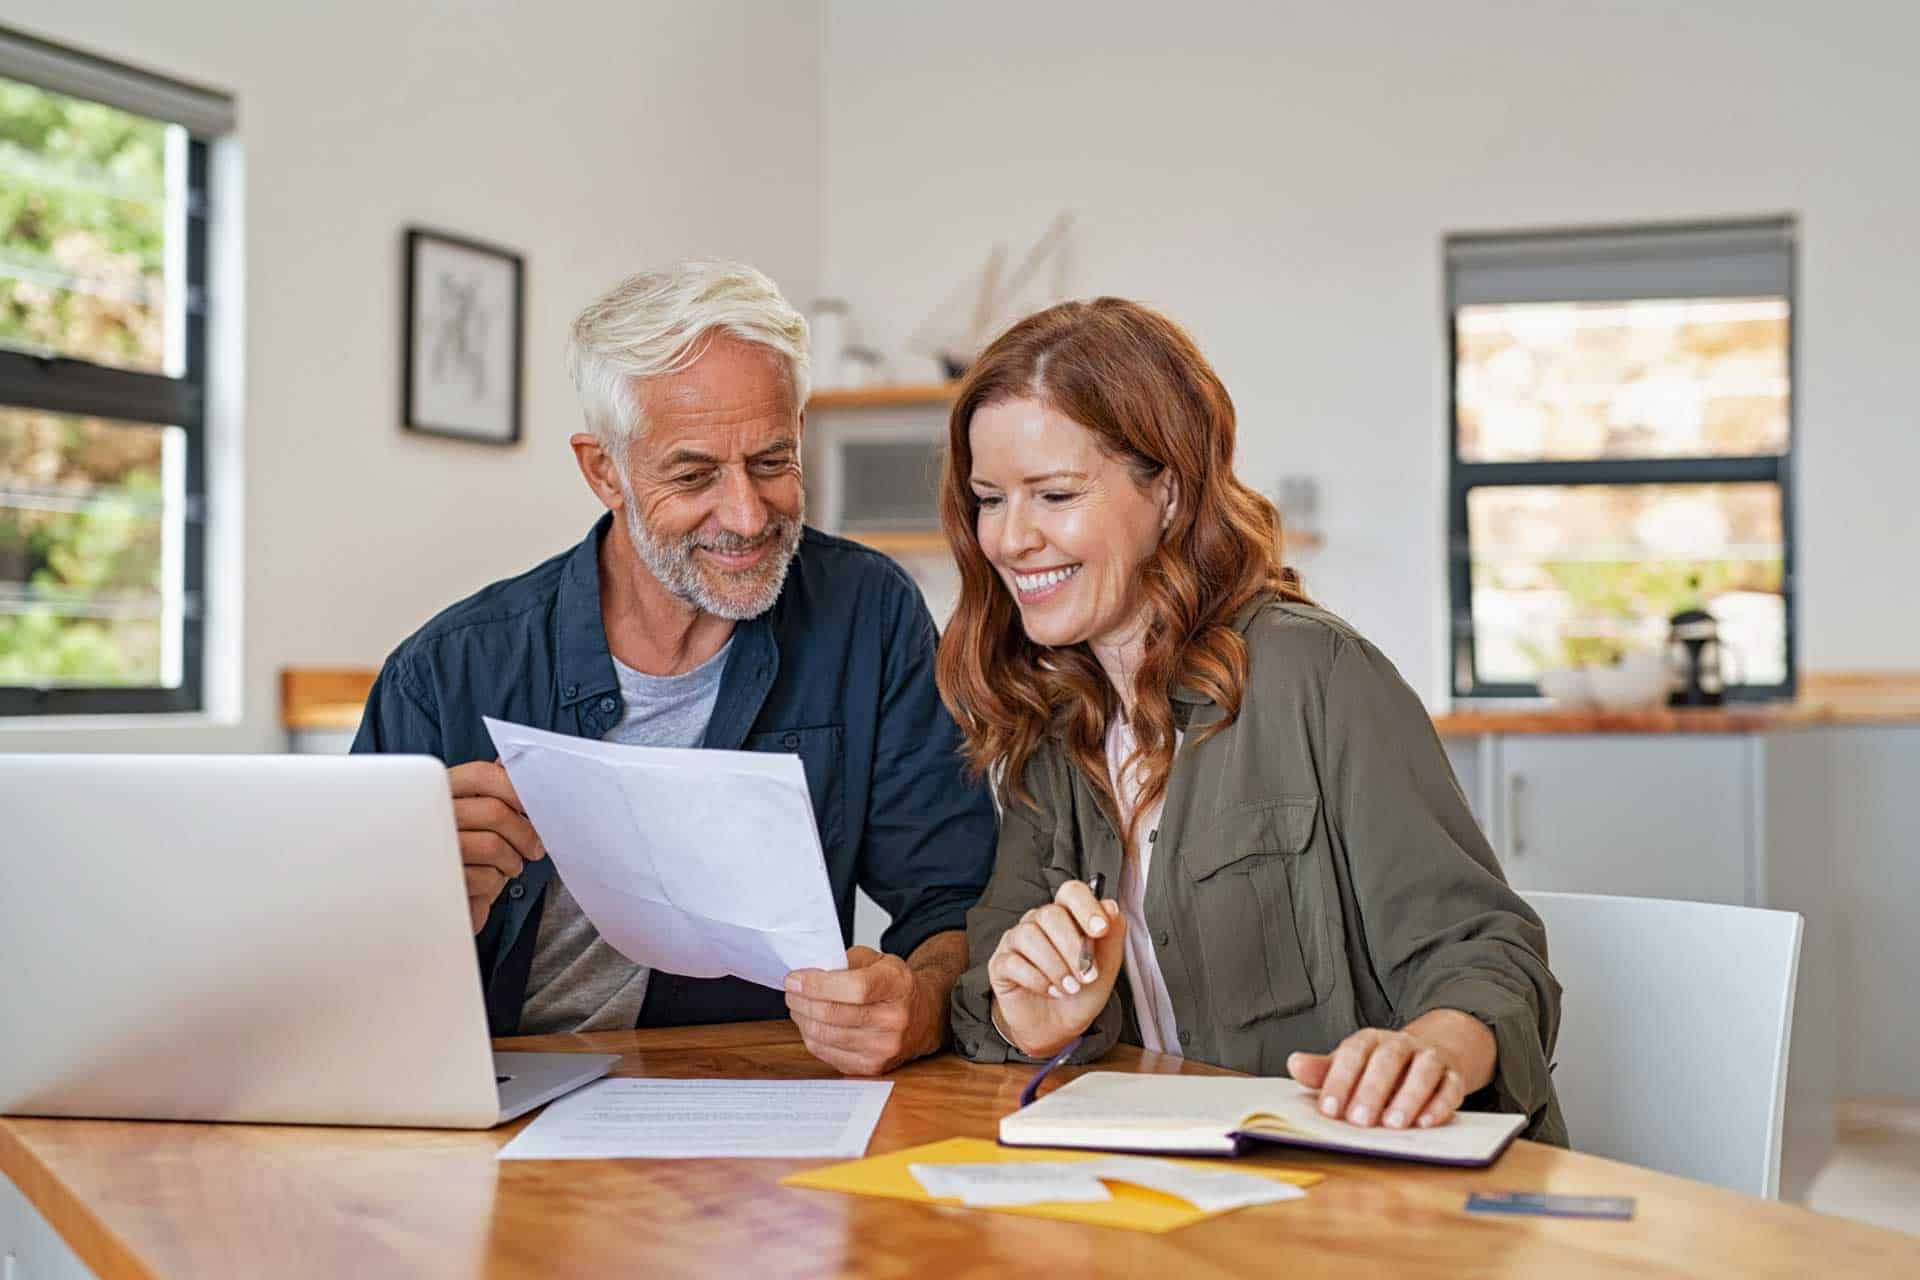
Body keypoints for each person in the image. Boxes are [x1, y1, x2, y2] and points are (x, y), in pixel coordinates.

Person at [941, 298, 1566, 1141]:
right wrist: (1038, 1016)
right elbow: (987, 986)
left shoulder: (1317, 675)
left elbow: (1488, 953)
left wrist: (1432, 1050)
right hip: (1178, 1191)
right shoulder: (1057, 727)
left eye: (1055, 494)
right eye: (989, 498)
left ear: (1167, 490)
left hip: (1364, 1199)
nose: (1011, 539)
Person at [354, 259, 995, 1076]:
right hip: (491, 1094)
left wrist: (920, 1003)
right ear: (603, 471)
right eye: (693, 475)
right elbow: (336, 975)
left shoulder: (866, 615)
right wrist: (416, 896)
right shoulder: (446, 671)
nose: (746, 515)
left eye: (772, 461)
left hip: (743, 1096)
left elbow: (953, 902)